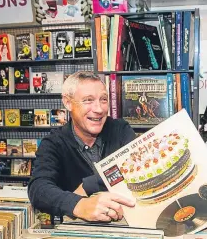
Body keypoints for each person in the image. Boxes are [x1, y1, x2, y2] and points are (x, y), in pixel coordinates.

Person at [28, 71, 136, 222]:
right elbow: (38, 190)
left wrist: (87, 187)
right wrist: (79, 205)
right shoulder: (53, 143)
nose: (98, 109)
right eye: (88, 100)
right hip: (78, 235)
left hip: (127, 225)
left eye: (103, 99)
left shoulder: (121, 130)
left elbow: (136, 167)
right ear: (68, 103)